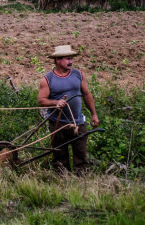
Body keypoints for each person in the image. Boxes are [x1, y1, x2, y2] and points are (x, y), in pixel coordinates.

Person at [37, 45, 99, 174]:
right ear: (58, 60)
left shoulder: (78, 75)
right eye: (67, 59)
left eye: (71, 58)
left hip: (78, 122)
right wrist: (55, 102)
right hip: (58, 123)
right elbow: (41, 100)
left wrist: (94, 114)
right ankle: (62, 180)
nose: (70, 61)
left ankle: (82, 179)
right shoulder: (47, 79)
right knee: (60, 154)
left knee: (81, 152)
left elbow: (87, 94)